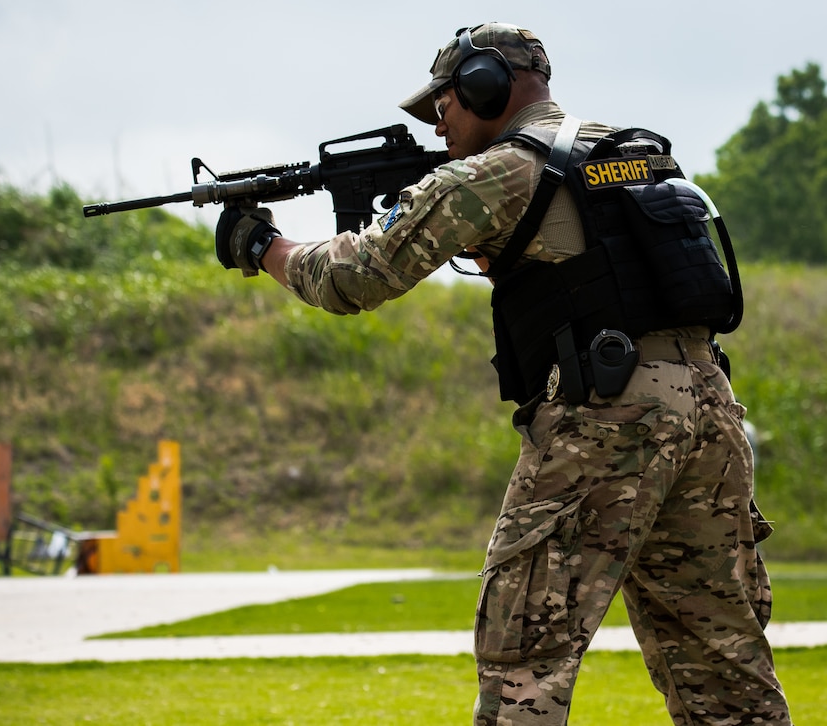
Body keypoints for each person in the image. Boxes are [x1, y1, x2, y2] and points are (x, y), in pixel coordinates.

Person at [214, 21, 792, 726]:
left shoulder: (499, 172)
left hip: (606, 418)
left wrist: (261, 244)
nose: (439, 124)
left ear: (486, 86)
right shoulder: (629, 151)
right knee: (721, 661)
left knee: (525, 657)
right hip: (709, 412)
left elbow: (351, 277)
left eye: (445, 103)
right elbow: (596, 267)